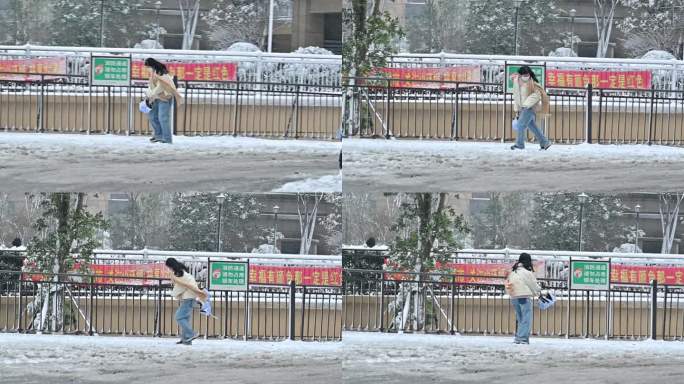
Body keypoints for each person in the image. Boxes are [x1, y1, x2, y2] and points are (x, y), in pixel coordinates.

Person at [165, 257, 207, 345]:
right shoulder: (182, 271)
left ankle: (192, 333)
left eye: (168, 267)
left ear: (170, 266)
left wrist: (174, 292)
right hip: (190, 297)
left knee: (179, 317)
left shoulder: (179, 274)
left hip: (188, 298)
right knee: (185, 318)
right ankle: (186, 340)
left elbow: (181, 285)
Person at [510, 65, 552, 151]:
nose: (526, 77)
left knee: (520, 125)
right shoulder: (516, 81)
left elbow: (536, 95)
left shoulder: (533, 84)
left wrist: (526, 104)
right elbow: (517, 96)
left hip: (529, 108)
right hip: (522, 108)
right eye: (524, 75)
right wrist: (517, 109)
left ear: (530, 74)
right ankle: (545, 142)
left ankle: (519, 144)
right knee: (533, 127)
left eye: (527, 75)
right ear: (520, 74)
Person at [504, 253, 541, 344]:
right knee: (526, 318)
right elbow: (533, 285)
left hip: (514, 297)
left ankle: (518, 338)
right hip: (524, 297)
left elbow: (507, 284)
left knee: (520, 318)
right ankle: (523, 339)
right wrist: (538, 292)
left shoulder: (513, 272)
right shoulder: (526, 272)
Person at [144, 58, 182, 144]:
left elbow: (161, 86)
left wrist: (151, 95)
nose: (146, 69)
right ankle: (158, 136)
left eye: (147, 67)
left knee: (163, 118)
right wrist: (148, 95)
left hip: (165, 98)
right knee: (152, 116)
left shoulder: (162, 74)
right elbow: (151, 87)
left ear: (152, 66)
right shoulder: (152, 74)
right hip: (156, 98)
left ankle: (167, 139)